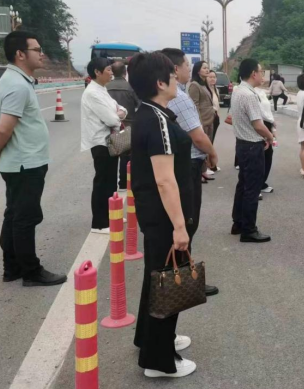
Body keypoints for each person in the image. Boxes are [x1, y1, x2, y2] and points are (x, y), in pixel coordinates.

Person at [127, 52, 195, 378]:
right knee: (168, 282)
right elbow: (165, 180)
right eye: (172, 74)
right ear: (159, 83)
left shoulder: (149, 113)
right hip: (165, 217)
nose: (176, 78)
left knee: (157, 278)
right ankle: (158, 361)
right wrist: (180, 226)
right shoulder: (157, 121)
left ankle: (151, 338)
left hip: (155, 215)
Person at [0, 31, 66, 286]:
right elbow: (4, 128)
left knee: (15, 214)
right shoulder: (17, 85)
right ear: (20, 54)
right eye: (36, 50)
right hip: (25, 163)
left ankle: (12, 267)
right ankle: (31, 271)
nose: (42, 54)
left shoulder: (15, 80)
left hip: (21, 161)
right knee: (25, 218)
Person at [159, 49, 219, 297]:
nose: (188, 68)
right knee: (187, 222)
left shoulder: (158, 99)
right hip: (189, 164)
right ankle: (183, 279)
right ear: (175, 69)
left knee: (180, 222)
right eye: (186, 64)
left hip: (178, 163)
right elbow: (198, 136)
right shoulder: (181, 98)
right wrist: (212, 153)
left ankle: (178, 276)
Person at [81, 57, 127, 234]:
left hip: (110, 140)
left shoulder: (102, 89)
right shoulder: (92, 93)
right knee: (103, 182)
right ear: (97, 72)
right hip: (101, 142)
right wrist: (118, 115)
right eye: (108, 70)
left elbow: (121, 109)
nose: (111, 73)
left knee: (110, 181)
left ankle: (112, 215)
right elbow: (112, 119)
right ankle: (99, 223)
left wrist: (119, 113)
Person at [230, 58, 274, 242]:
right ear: (253, 73)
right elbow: (258, 124)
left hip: (242, 144)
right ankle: (249, 230)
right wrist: (270, 137)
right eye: (261, 71)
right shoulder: (249, 95)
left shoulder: (238, 91)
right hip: (252, 146)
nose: (262, 75)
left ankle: (238, 223)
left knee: (243, 185)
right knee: (252, 189)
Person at [106, 59, 140, 190]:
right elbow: (139, 105)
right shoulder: (130, 87)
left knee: (110, 157)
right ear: (125, 72)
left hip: (109, 126)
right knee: (126, 157)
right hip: (127, 126)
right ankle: (124, 184)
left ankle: (110, 187)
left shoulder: (105, 87)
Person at [187, 61, 216, 182]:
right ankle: (199, 173)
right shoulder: (194, 85)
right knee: (200, 147)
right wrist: (199, 123)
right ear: (198, 70)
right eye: (204, 68)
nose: (207, 70)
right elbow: (195, 105)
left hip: (210, 119)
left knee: (207, 145)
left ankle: (203, 171)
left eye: (208, 68)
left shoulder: (205, 84)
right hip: (202, 120)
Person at [256, 78, 276, 193]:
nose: (262, 78)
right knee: (259, 155)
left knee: (268, 154)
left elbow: (268, 110)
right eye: (260, 73)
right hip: (259, 124)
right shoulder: (251, 93)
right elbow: (260, 113)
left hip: (267, 123)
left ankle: (262, 182)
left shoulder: (262, 92)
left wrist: (273, 126)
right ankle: (255, 186)